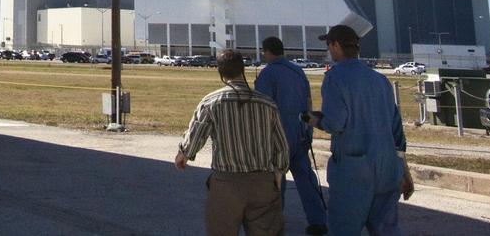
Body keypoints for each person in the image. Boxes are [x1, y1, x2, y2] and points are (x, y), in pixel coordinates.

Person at [303, 25, 413, 236]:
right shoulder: (381, 80)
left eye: (329, 45)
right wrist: (403, 171)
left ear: (335, 45)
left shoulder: (335, 78)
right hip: (387, 168)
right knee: (387, 229)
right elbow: (397, 131)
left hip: (354, 171)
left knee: (344, 228)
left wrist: (314, 120)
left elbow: (335, 123)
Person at [175, 49, 290, 236]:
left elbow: (197, 134)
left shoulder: (211, 102)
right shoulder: (267, 103)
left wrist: (184, 154)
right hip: (262, 182)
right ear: (242, 69)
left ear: (220, 72)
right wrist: (279, 171)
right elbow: (281, 144)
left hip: (227, 183)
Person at [255, 36, 328, 235]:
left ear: (267, 51)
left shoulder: (268, 74)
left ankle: (275, 222)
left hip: (278, 135)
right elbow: (308, 102)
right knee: (306, 180)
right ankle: (318, 220)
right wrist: (309, 131)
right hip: (300, 132)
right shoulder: (297, 71)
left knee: (276, 181)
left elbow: (262, 107)